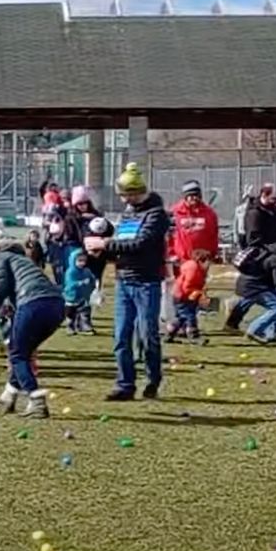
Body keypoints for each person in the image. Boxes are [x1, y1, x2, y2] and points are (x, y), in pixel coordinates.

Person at [84, 164, 170, 401]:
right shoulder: (128, 214)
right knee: (121, 335)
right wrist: (102, 253)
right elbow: (122, 244)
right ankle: (125, 384)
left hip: (146, 282)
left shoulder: (156, 215)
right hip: (124, 280)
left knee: (147, 334)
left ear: (134, 192)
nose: (123, 200)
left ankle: (153, 379)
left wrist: (105, 244)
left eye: (124, 195)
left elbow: (140, 244)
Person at [0, 237, 66, 417]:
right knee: (23, 352)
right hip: (56, 305)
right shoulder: (23, 260)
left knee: (17, 354)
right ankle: (9, 395)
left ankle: (36, 399)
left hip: (32, 303)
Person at [228, 184, 276, 344]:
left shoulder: (273, 211)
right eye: (274, 199)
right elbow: (254, 241)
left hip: (271, 255)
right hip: (261, 258)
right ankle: (258, 329)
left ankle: (269, 331)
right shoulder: (254, 214)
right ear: (264, 195)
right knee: (271, 297)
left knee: (254, 294)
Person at [169, 180, 221, 276]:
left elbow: (214, 235)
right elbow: (169, 235)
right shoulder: (175, 213)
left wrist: (212, 253)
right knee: (183, 287)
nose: (194, 198)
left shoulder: (209, 214)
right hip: (181, 260)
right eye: (190, 195)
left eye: (196, 195)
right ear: (185, 197)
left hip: (202, 260)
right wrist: (172, 254)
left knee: (199, 288)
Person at [167, 247, 212, 344]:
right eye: (208, 261)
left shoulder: (193, 266)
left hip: (180, 294)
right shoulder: (194, 269)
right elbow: (187, 286)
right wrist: (200, 294)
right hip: (182, 296)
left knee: (181, 317)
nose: (210, 264)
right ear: (201, 260)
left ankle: (169, 334)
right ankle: (194, 336)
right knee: (189, 316)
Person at [63, 231, 99, 334]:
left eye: (84, 260)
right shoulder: (70, 272)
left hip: (84, 296)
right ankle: (70, 326)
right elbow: (70, 284)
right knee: (71, 313)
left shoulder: (87, 271)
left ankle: (85, 325)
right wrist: (81, 283)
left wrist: (94, 287)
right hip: (72, 297)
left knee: (85, 310)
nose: (82, 263)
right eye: (79, 261)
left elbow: (91, 280)